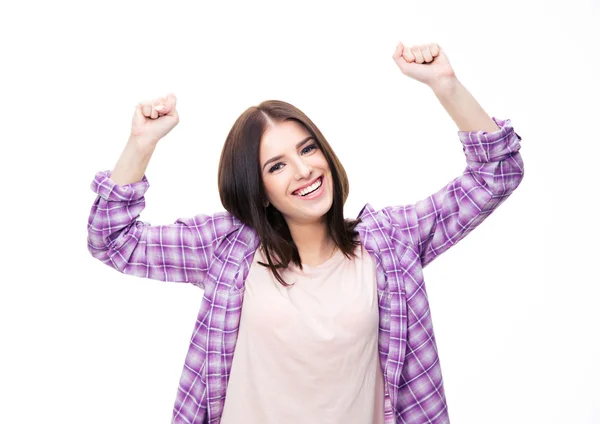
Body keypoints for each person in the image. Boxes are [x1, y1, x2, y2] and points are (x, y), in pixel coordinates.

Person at [87, 42, 524, 424]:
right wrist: (141, 144)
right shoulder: (227, 248)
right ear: (259, 192)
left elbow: (496, 174)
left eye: (308, 149)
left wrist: (445, 85)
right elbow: (113, 240)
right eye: (276, 166)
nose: (304, 170)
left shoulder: (390, 243)